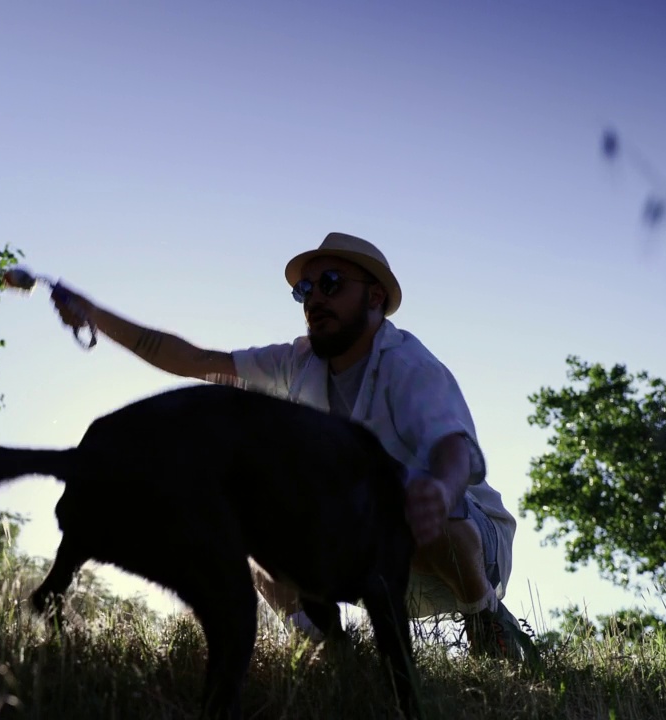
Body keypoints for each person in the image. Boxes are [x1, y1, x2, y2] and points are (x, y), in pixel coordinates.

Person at [46, 231, 538, 662]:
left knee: (428, 504)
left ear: (375, 297)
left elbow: (453, 449)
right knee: (256, 527)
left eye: (329, 285)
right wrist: (93, 314)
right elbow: (191, 359)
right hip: (379, 561)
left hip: (459, 544)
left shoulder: (407, 365)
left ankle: (485, 621)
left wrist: (440, 490)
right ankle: (331, 650)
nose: (312, 300)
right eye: (304, 290)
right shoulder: (296, 363)